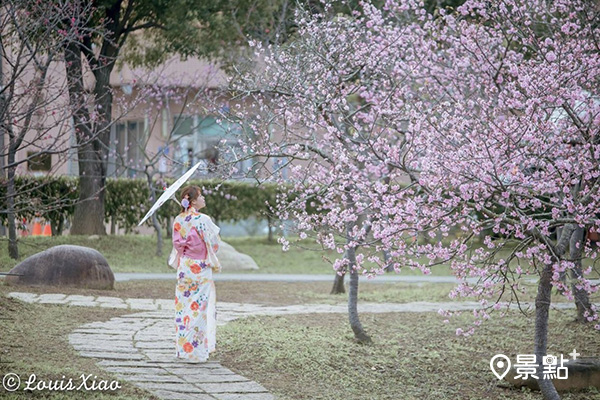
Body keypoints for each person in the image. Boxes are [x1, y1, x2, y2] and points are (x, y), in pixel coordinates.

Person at [171, 185, 221, 363]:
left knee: (183, 308)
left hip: (185, 266)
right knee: (199, 309)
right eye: (200, 196)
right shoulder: (203, 219)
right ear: (191, 200)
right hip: (200, 267)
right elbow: (214, 244)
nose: (203, 199)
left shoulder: (178, 220)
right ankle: (196, 353)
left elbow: (177, 246)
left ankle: (182, 349)